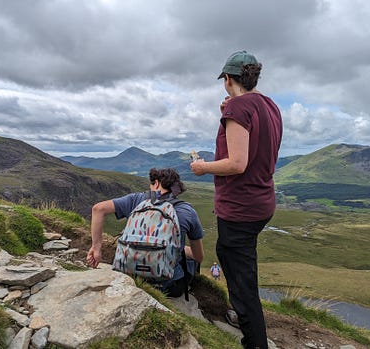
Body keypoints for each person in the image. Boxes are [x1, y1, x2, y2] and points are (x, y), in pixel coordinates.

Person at [190, 50, 282, 349]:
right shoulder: (268, 105)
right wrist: (230, 110)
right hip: (262, 200)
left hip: (241, 206)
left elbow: (237, 164)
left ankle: (254, 340)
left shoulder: (238, 108)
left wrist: (202, 168)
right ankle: (245, 318)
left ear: (228, 79)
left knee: (241, 280)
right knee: (239, 264)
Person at [87, 167, 204, 298]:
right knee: (192, 261)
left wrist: (96, 248)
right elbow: (199, 257)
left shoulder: (136, 200)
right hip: (168, 286)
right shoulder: (187, 211)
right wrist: (182, 249)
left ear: (157, 183)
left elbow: (98, 209)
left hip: (129, 275)